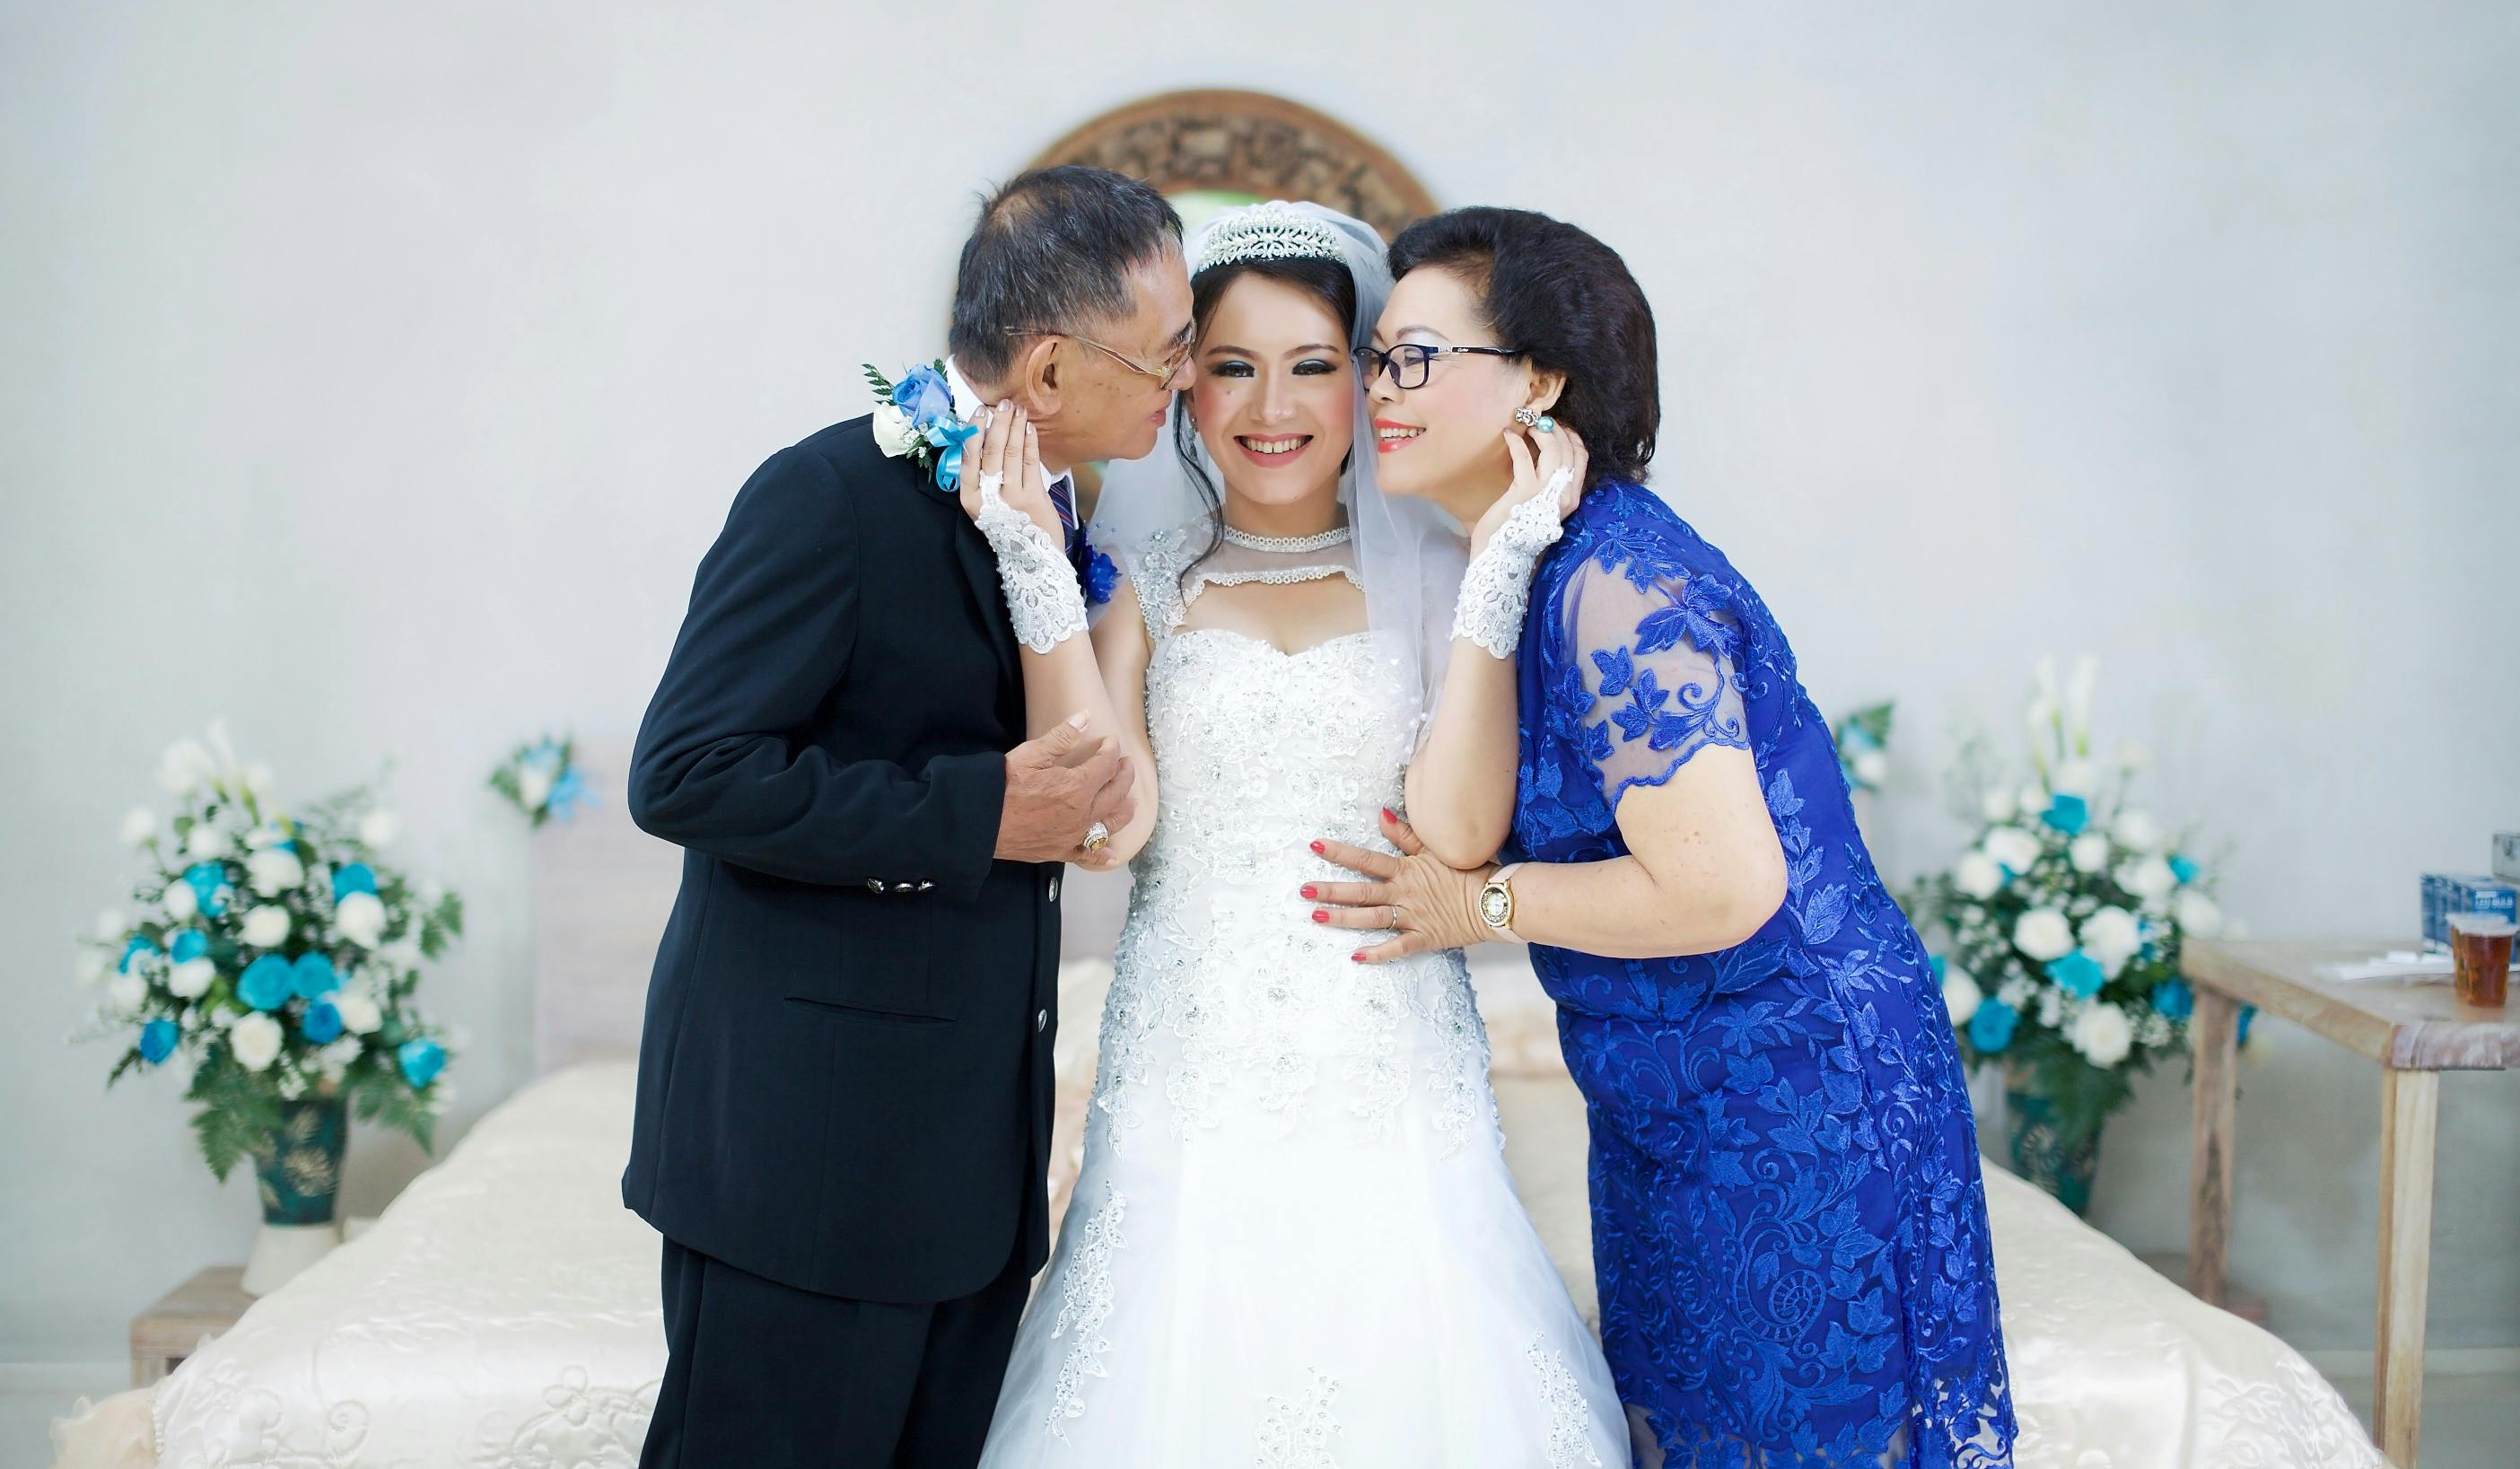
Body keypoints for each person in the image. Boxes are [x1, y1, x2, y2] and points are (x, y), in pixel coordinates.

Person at [1305, 206, 2016, 1467]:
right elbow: (1454, 823)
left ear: (1539, 379)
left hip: (1795, 1090)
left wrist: (1480, 912)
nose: (1378, 389)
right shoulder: (1527, 562)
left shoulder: (1619, 582)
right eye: (1375, 359)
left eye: (1414, 357)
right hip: (1666, 1097)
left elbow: (1724, 886)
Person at [961, 201, 1627, 1465]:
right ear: (1183, 391)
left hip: (1385, 1058)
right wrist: (1040, 575)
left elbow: (1460, 826)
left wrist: (1498, 572)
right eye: (1231, 366)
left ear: (1365, 377)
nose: (1275, 404)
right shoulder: (1148, 584)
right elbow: (1108, 832)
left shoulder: (1443, 571)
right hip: (1190, 1068)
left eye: (1315, 363)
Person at [619, 165, 1190, 1468]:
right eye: (1163, 358)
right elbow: (688, 771)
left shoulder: (1063, 516)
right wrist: (979, 812)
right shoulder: (826, 496)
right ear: (1047, 371)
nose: (1182, 385)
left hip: (969, 1178)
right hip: (805, 1168)